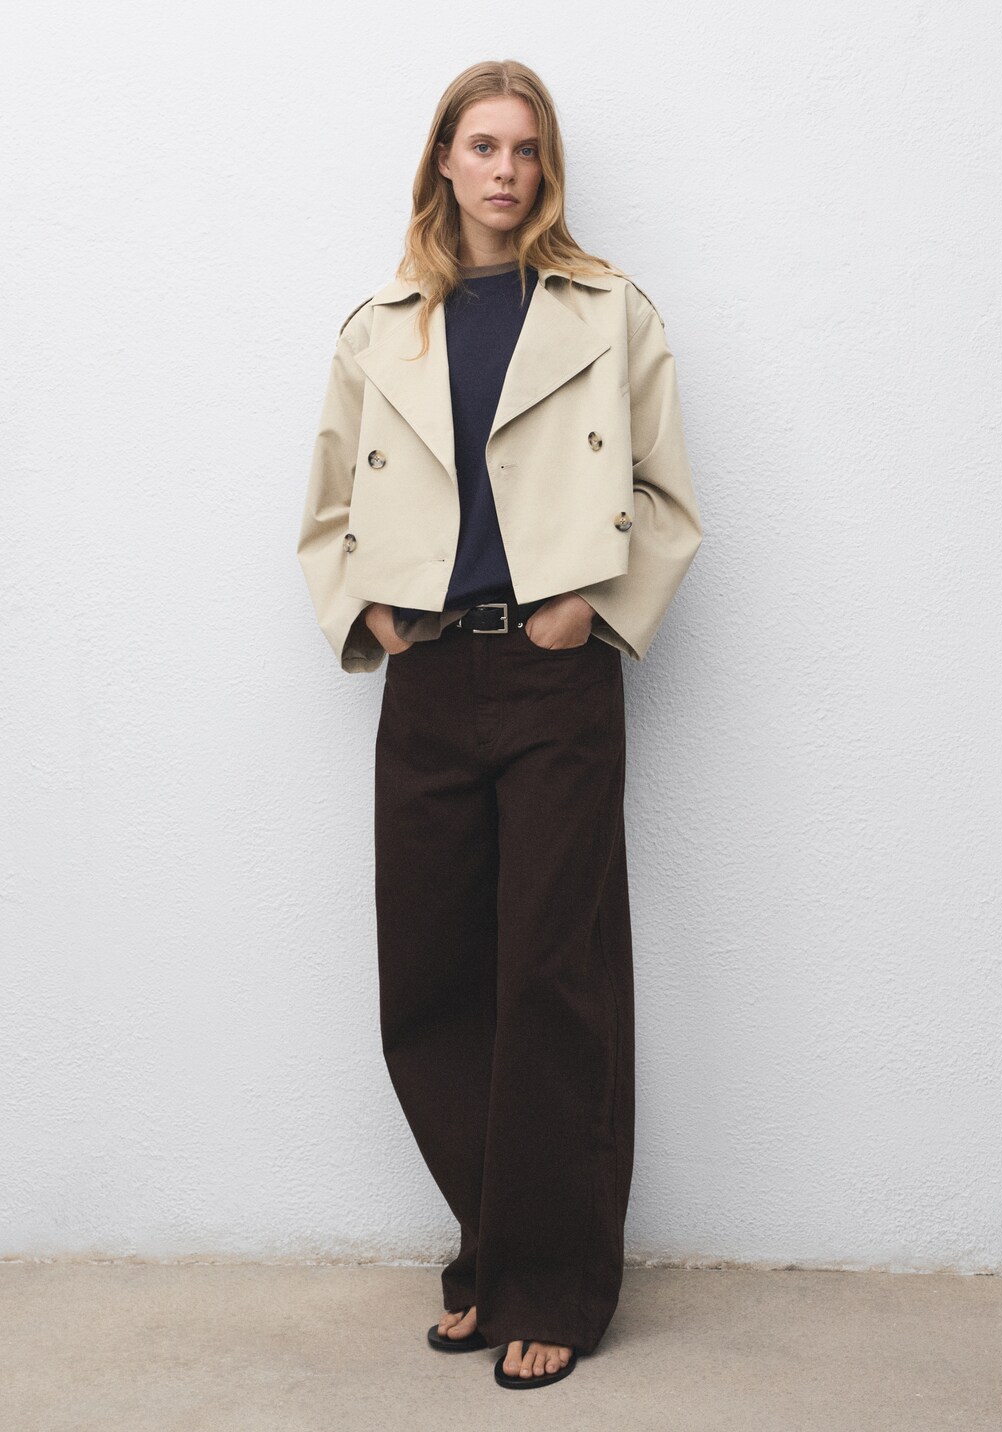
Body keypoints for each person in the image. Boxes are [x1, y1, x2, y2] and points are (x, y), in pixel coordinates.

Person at [297, 59, 703, 1390]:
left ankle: (554, 1285)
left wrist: (592, 609)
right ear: (443, 159)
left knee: (551, 980)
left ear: (547, 167)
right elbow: (327, 509)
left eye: (525, 149)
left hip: (553, 679)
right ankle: (493, 1250)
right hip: (427, 677)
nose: (505, 170)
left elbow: (666, 494)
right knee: (429, 981)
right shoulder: (381, 327)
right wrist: (376, 615)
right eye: (482, 145)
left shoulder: (607, 311)